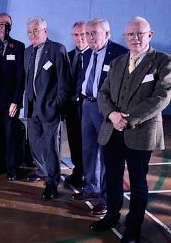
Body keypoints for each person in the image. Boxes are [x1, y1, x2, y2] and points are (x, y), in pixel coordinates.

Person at [91, 17, 171, 242]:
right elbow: (103, 93)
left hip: (141, 133)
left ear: (150, 35)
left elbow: (161, 97)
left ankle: (133, 227)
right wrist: (112, 115)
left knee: (138, 184)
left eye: (140, 33)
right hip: (112, 131)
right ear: (124, 36)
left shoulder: (163, 62)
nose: (135, 38)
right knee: (113, 179)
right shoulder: (117, 62)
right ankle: (112, 216)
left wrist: (129, 119)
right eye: (130, 34)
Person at [71, 18, 127, 216]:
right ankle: (92, 187)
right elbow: (84, 78)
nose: (90, 37)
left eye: (94, 33)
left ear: (107, 34)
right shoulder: (87, 53)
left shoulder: (119, 54)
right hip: (87, 106)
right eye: (87, 33)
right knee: (88, 150)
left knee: (106, 156)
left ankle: (105, 199)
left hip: (106, 110)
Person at [23, 16, 71, 199]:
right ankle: (42, 171)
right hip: (32, 109)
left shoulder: (57, 49)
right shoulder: (27, 52)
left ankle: (52, 183)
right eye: (29, 31)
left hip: (50, 109)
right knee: (35, 145)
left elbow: (64, 83)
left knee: (51, 147)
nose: (32, 34)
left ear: (45, 30)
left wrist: (56, 106)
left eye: (36, 30)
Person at [0, 13, 25, 181]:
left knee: (10, 134)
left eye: (7, 24)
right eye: (0, 24)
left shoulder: (18, 46)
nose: (3, 27)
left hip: (10, 100)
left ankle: (12, 168)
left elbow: (20, 77)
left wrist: (16, 100)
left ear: (11, 27)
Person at [64, 22, 92, 188]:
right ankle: (78, 170)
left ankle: (89, 175)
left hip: (88, 107)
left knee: (88, 142)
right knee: (74, 141)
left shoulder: (94, 56)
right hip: (71, 108)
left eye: (83, 34)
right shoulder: (67, 56)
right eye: (76, 35)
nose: (80, 38)